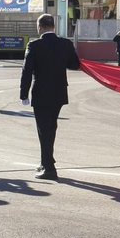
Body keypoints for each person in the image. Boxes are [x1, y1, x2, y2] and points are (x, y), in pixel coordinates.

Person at [20, 13, 80, 180]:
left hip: (41, 93)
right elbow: (75, 64)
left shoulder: (34, 45)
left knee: (44, 130)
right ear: (54, 26)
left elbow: (27, 71)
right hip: (59, 92)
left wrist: (23, 94)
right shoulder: (65, 44)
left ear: (39, 27)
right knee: (50, 128)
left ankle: (49, 168)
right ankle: (45, 161)